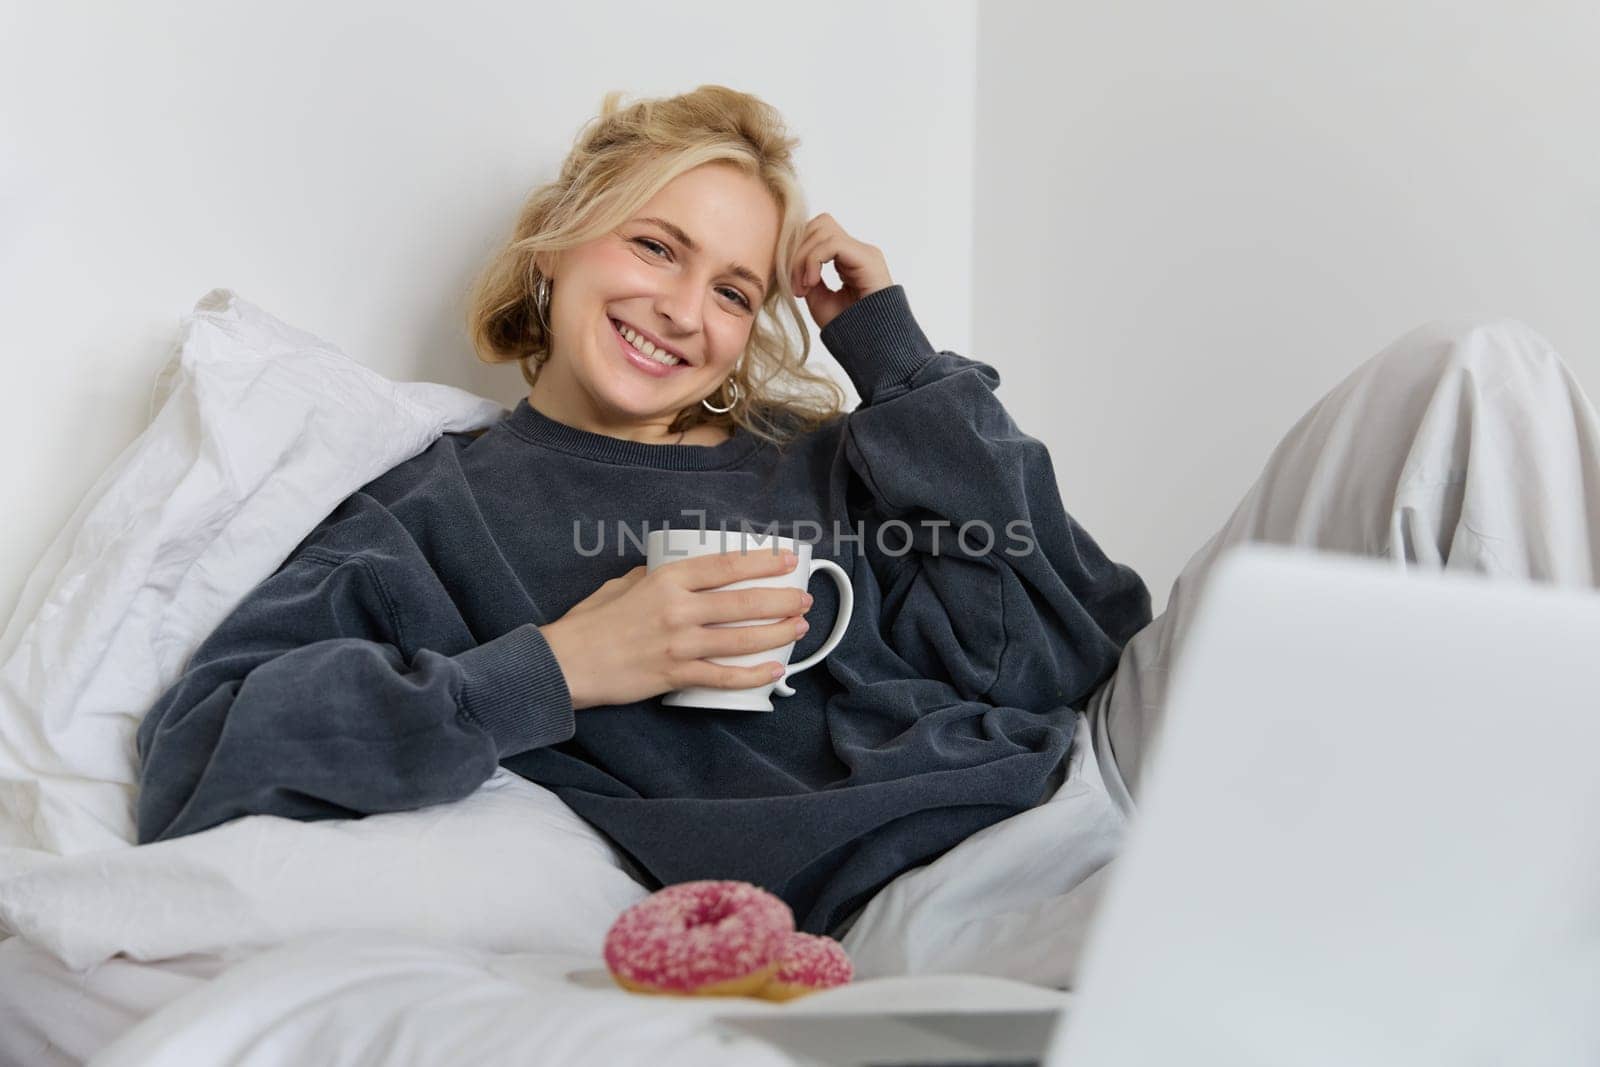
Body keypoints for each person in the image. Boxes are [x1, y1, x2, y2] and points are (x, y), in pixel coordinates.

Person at [134, 83, 1600, 943]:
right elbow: (203, 753)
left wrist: (895, 360)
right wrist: (571, 667)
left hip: (1119, 756)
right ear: (560, 242)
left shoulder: (823, 446)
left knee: (1473, 379)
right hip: (936, 897)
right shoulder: (435, 513)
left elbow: (1083, 636)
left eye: (732, 288)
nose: (683, 310)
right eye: (656, 245)